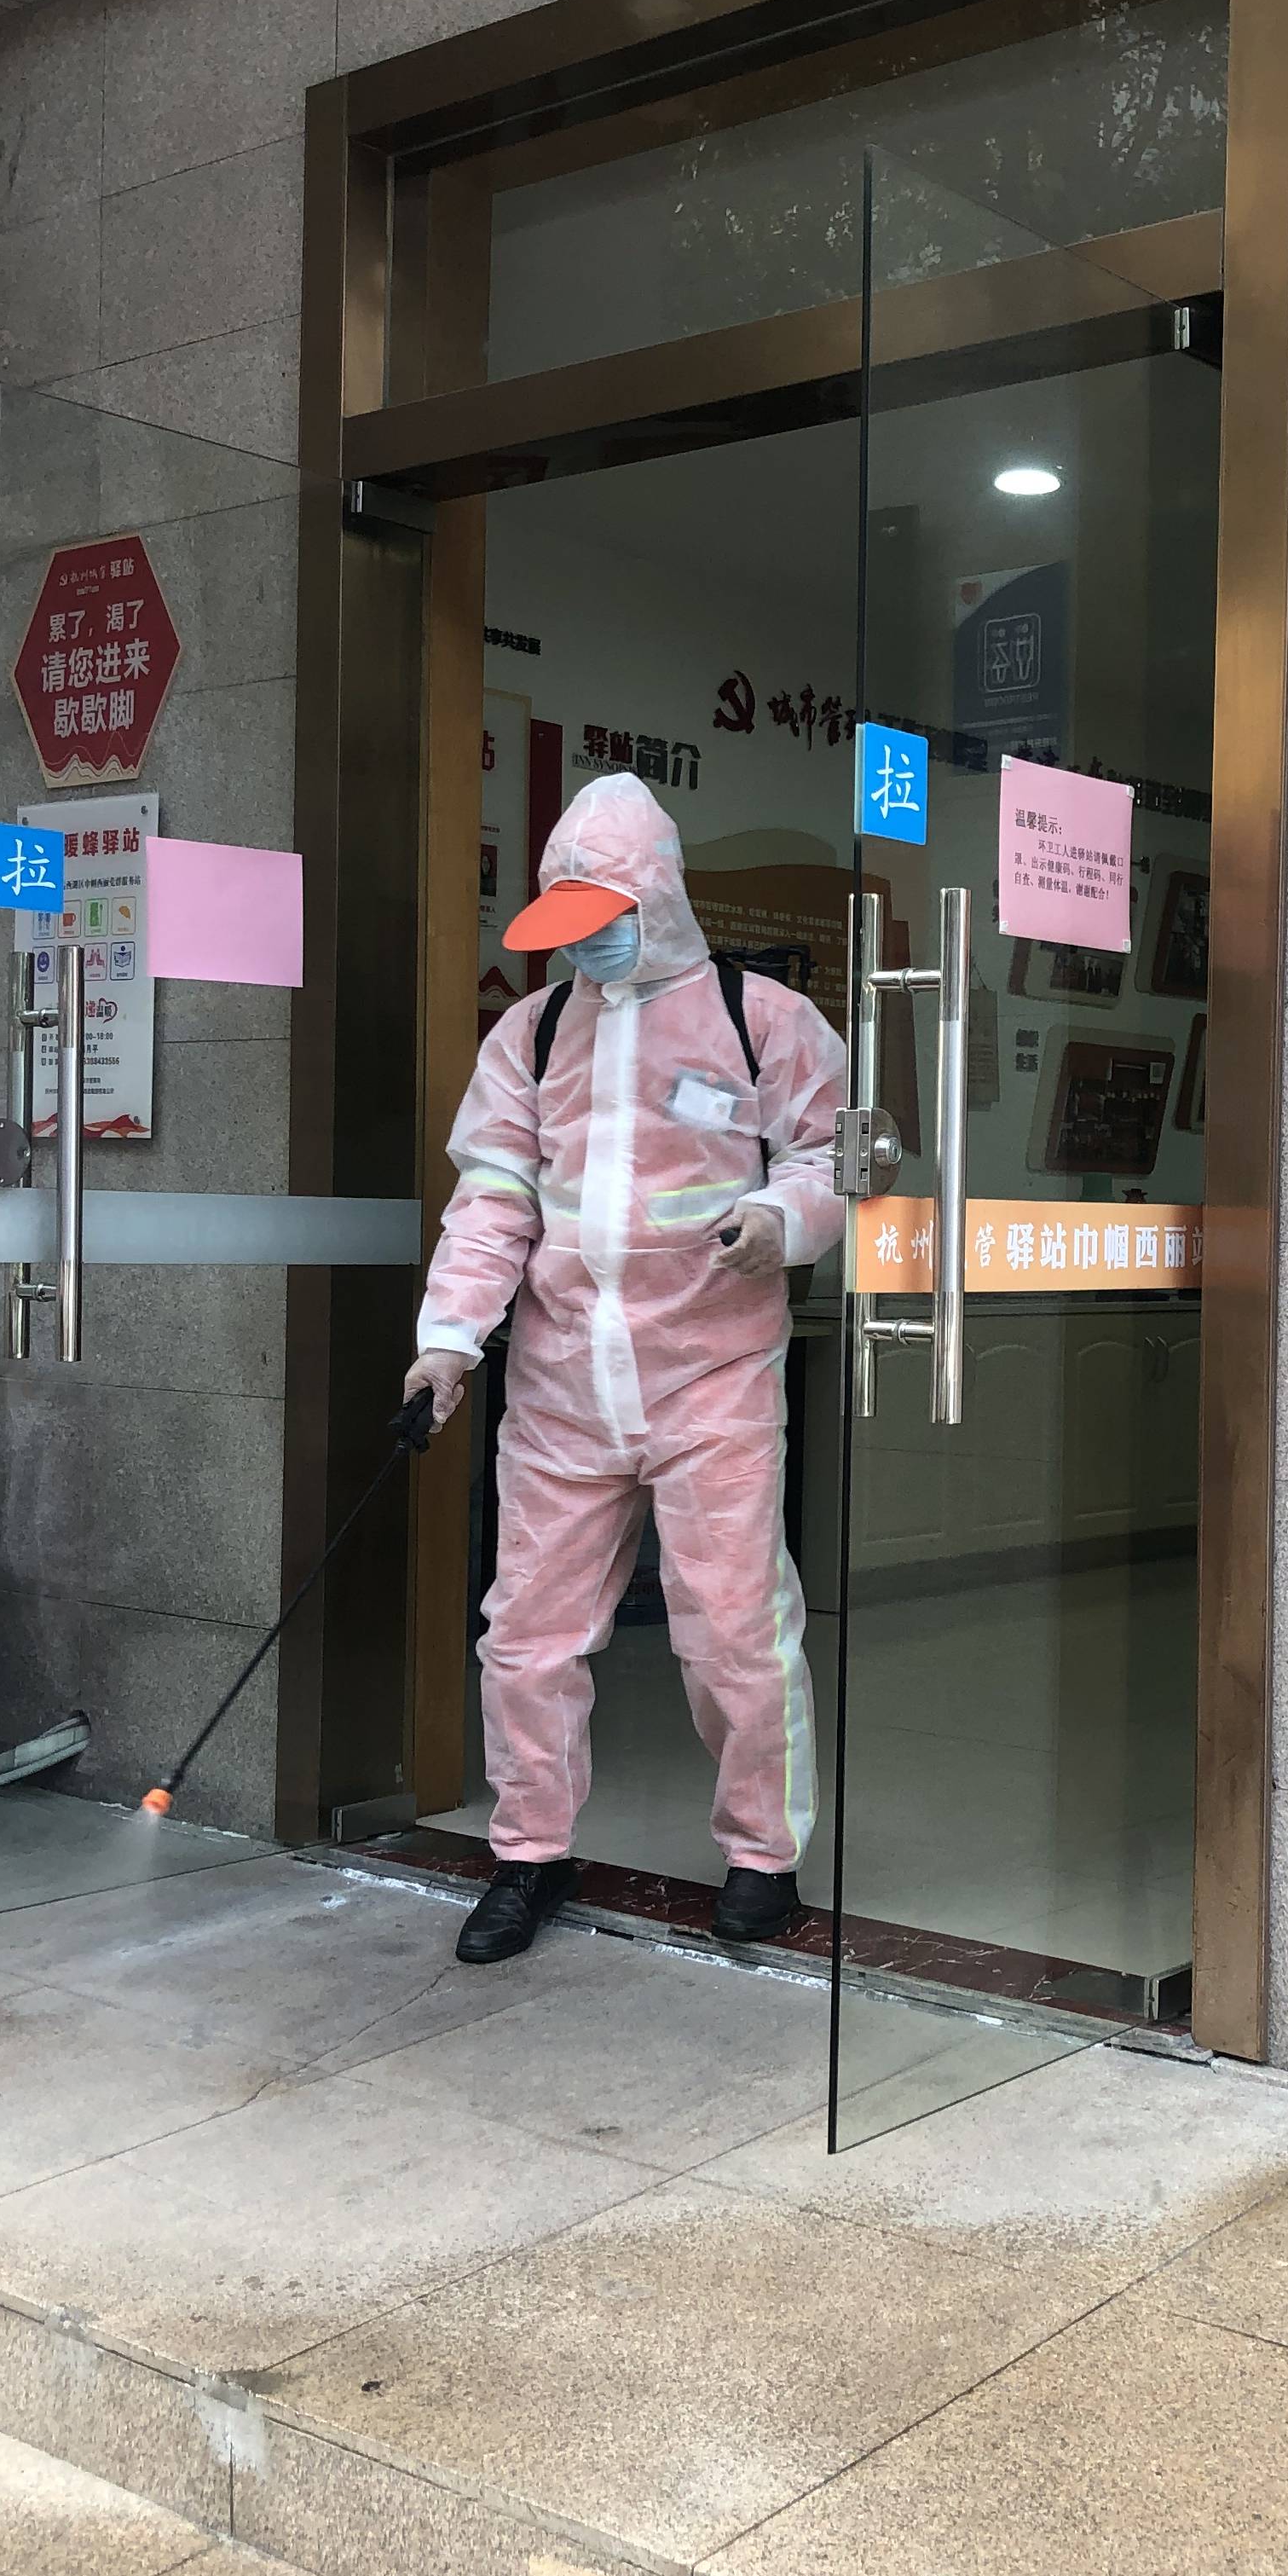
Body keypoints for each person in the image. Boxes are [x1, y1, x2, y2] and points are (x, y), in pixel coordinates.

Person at [403, 773, 848, 1964]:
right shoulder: (535, 1032)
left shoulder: (764, 1020)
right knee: (526, 1636)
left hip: (713, 1378)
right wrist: (447, 1342)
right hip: (560, 1388)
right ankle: (528, 1855)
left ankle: (762, 1858)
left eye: (604, 919)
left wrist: (781, 1221)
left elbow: (831, 1159)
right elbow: (493, 1200)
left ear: (655, 896)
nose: (587, 945)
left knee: (734, 1629)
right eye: (570, 925)